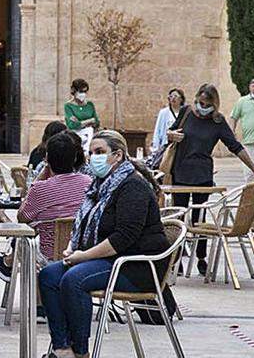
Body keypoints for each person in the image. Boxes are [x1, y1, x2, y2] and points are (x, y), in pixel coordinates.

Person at [39, 130, 169, 358]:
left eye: (100, 152)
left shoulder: (132, 187)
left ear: (117, 155)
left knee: (74, 279)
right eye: (90, 153)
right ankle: (61, 347)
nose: (93, 158)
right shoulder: (100, 185)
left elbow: (123, 238)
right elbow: (84, 222)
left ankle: (80, 352)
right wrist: (72, 247)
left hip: (135, 266)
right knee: (49, 274)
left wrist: (84, 255)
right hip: (105, 259)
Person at [167, 83, 254, 274]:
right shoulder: (186, 112)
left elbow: (234, 146)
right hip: (180, 172)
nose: (202, 107)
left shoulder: (218, 122)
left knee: (199, 218)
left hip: (202, 175)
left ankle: (201, 257)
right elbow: (170, 132)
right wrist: (171, 135)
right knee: (179, 217)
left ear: (214, 104)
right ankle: (176, 260)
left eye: (206, 103)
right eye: (199, 102)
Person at [18, 132, 91, 261]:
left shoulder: (40, 189)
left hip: (49, 256)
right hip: (83, 253)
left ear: (46, 158)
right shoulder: (89, 183)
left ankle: (7, 263)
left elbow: (22, 217)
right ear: (74, 158)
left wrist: (38, 180)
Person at [64, 79, 100, 152]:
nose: (83, 94)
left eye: (85, 91)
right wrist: (89, 121)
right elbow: (72, 125)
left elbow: (96, 122)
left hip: (89, 136)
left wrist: (80, 122)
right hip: (75, 136)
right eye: (81, 91)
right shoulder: (68, 106)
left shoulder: (90, 105)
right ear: (74, 91)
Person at [151, 88, 185, 153]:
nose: (173, 98)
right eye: (171, 96)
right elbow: (158, 130)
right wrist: (156, 148)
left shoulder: (185, 112)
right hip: (166, 145)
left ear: (181, 99)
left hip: (180, 146)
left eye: (175, 96)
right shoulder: (164, 113)